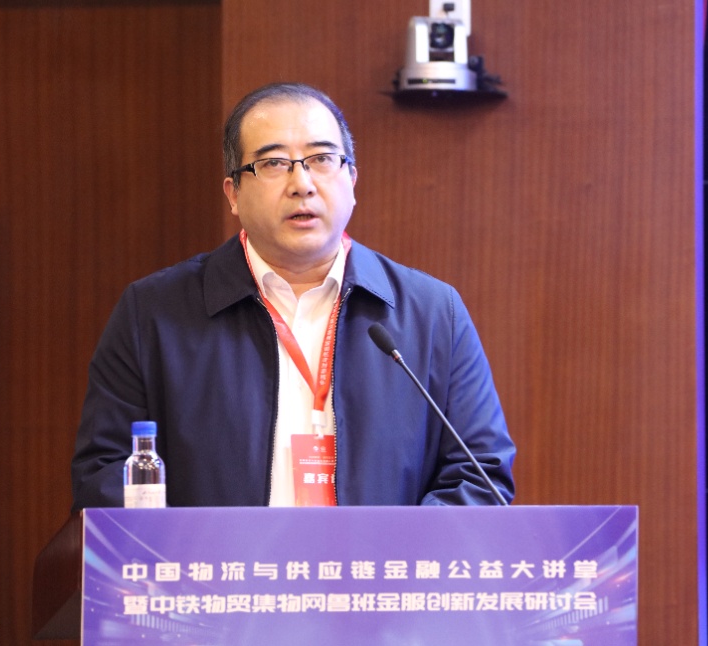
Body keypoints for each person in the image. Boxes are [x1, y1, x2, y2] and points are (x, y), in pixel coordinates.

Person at [71, 82, 515, 509]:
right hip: (218, 564)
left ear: (351, 180)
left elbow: (480, 475)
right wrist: (194, 551)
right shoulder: (154, 313)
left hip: (380, 564)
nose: (302, 183)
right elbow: (105, 473)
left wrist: (393, 550)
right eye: (273, 163)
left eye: (321, 159)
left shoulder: (432, 314)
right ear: (233, 193)